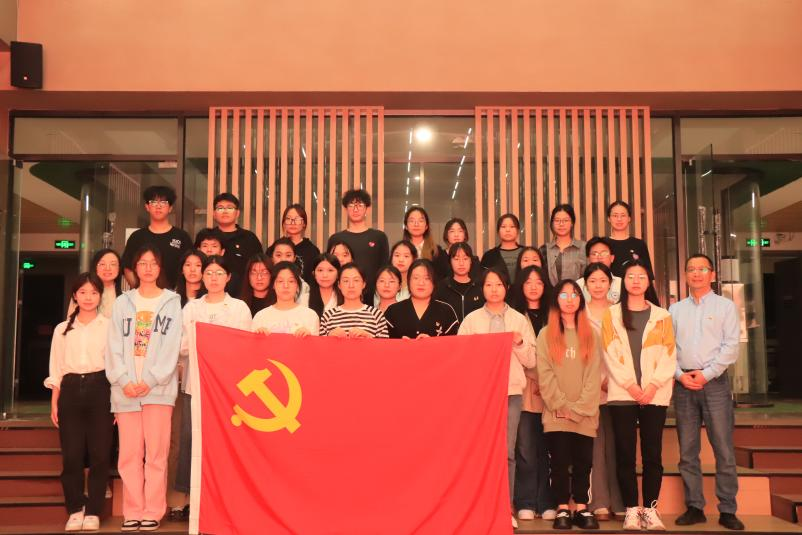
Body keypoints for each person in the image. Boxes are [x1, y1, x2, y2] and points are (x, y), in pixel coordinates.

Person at [106, 245, 183, 532]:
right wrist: (123, 380)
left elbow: (171, 347)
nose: (148, 268)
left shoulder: (171, 301)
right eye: (143, 263)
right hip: (125, 391)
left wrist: (150, 380)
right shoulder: (123, 302)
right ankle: (133, 511)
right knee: (128, 455)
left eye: (153, 263)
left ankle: (152, 511)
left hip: (158, 391)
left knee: (156, 455)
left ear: (160, 268)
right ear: (134, 268)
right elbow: (112, 346)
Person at [458, 267, 537, 530]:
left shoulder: (519, 319)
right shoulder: (471, 320)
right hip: (480, 395)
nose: (494, 290)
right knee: (479, 452)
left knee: (507, 452)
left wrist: (519, 342)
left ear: (507, 288)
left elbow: (532, 360)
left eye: (499, 285)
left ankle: (504, 507)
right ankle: (479, 507)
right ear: (482, 289)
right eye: (489, 285)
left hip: (510, 393)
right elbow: (461, 357)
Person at [669, 254, 744, 531]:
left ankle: (728, 509)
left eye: (702, 269)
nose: (696, 273)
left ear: (712, 274)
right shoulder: (675, 310)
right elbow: (666, 348)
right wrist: (680, 375)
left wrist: (706, 374)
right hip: (684, 384)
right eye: (691, 269)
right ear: (685, 275)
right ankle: (694, 507)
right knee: (688, 450)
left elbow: (731, 347)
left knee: (723, 448)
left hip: (715, 384)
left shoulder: (725, 307)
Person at [601, 259, 676, 531]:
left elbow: (669, 354)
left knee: (652, 454)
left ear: (648, 282)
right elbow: (609, 354)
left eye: (641, 276)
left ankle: (651, 509)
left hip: (655, 394)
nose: (635, 281)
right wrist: (631, 386)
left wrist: (653, 386)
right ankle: (632, 509)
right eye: (631, 276)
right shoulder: (611, 314)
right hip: (622, 393)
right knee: (625, 454)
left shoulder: (662, 316)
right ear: (624, 282)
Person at [176, 255, 252, 508]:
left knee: (226, 441)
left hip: (228, 387)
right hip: (195, 384)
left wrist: (212, 340)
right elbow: (181, 346)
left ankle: (226, 498)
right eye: (209, 273)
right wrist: (207, 339)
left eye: (219, 273)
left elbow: (244, 346)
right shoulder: (191, 308)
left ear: (228, 277)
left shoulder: (239, 308)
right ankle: (190, 499)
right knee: (191, 440)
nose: (214, 278)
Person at [46, 273, 113, 532]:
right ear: (74, 295)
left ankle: (93, 511)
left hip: (101, 389)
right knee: (72, 455)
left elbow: (115, 365)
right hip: (71, 390)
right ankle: (75, 509)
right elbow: (56, 368)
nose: (88, 297)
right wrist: (55, 401)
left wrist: (116, 402)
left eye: (93, 292)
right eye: (83, 292)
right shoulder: (62, 329)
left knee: (100, 454)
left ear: (100, 296)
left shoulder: (109, 326)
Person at [536, 279, 601, 530]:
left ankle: (582, 507)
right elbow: (545, 374)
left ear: (581, 299)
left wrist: (579, 409)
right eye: (563, 295)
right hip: (556, 414)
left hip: (585, 414)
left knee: (584, 462)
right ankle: (562, 506)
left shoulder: (591, 334)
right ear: (556, 300)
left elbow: (594, 375)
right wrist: (561, 406)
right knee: (559, 463)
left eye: (574, 294)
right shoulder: (545, 334)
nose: (570, 299)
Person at [510, 265, 557, 523]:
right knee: (526, 449)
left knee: (548, 449)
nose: (533, 286)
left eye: (539, 282)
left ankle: (547, 501)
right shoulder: (515, 315)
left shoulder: (555, 314)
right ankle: (526, 501)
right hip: (526, 389)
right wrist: (538, 377)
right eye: (528, 282)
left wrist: (547, 380)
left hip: (554, 391)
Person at [582, 263, 624, 521]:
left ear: (610, 283)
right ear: (585, 285)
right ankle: (598, 501)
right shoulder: (579, 313)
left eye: (602, 280)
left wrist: (615, 379)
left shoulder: (621, 311)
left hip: (620, 387)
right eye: (592, 281)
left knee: (618, 446)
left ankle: (620, 501)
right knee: (595, 447)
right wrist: (597, 381)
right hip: (590, 388)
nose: (598, 285)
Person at [168, 248, 206, 521]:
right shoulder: (172, 300)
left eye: (198, 265)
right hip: (175, 380)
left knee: (201, 440)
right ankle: (177, 500)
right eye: (188, 265)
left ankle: (199, 499)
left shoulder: (212, 301)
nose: (193, 270)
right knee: (179, 441)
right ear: (181, 268)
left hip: (204, 380)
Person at [121, 185, 192, 289]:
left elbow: (190, 266)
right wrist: (140, 290)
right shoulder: (137, 237)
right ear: (147, 207)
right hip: (143, 294)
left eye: (163, 202)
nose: (158, 206)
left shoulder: (182, 237)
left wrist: (178, 292)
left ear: (170, 208)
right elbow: (128, 268)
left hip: (175, 294)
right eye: (153, 202)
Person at [326, 189, 389, 291]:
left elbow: (384, 269)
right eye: (351, 205)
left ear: (367, 209)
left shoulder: (379, 237)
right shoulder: (335, 239)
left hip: (373, 294)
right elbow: (330, 268)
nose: (355, 209)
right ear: (346, 209)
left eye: (360, 205)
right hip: (342, 292)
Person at [385, 259, 459, 339]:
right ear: (408, 281)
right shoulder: (393, 311)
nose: (421, 283)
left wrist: (433, 343)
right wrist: (400, 344)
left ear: (434, 282)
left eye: (427, 278)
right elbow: (382, 343)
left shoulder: (446, 311)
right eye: (416, 278)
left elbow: (454, 343)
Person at [210, 192, 264, 294]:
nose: (225, 211)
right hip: (210, 294)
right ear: (214, 213)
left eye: (230, 208)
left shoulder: (249, 238)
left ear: (237, 213)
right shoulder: (207, 237)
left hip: (243, 295)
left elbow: (259, 268)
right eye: (220, 208)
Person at [320, 263, 389, 338]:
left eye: (356, 280)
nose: (351, 285)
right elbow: (320, 345)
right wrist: (329, 338)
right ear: (339, 285)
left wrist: (368, 337)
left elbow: (385, 344)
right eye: (346, 281)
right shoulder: (328, 316)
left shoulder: (377, 315)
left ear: (363, 284)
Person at [252, 261, 319, 336]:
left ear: (297, 285)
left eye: (291, 281)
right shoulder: (260, 317)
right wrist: (259, 336)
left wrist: (309, 337)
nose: (286, 286)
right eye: (280, 281)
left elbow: (316, 343)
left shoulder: (310, 316)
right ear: (273, 285)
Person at [267, 204, 320, 282]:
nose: (293, 223)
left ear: (304, 224)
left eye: (297, 219)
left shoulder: (312, 251)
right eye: (288, 219)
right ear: (284, 223)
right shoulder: (274, 248)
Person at [433, 242, 484, 322]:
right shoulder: (441, 288)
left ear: (471, 261)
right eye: (456, 259)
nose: (461, 263)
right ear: (450, 261)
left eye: (465, 259)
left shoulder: (479, 287)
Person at [67, 248, 122, 318]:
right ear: (95, 267)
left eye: (113, 264)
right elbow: (71, 321)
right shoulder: (82, 291)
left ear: (119, 268)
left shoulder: (125, 296)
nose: (107, 268)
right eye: (102, 264)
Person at [540, 204, 587, 286]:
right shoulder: (544, 249)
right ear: (552, 223)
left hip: (577, 292)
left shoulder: (584, 247)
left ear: (572, 223)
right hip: (551, 293)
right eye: (557, 220)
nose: (561, 224)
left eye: (566, 220)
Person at [607, 201, 653, 278]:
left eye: (623, 215)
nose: (619, 219)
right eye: (615, 215)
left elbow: (648, 275)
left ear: (629, 218)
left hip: (634, 285)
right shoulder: (603, 243)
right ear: (609, 218)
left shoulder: (639, 244)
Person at [576, 237, 622, 304]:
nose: (599, 257)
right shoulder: (578, 285)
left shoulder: (621, 284)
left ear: (612, 258)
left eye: (604, 253)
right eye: (594, 254)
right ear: (588, 259)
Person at [480, 213, 524, 280]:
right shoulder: (489, 256)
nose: (508, 230)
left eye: (512, 226)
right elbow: (484, 280)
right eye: (503, 227)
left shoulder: (526, 252)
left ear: (518, 231)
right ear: (498, 231)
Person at [270, 237, 311, 306]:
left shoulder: (303, 286)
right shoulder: (264, 280)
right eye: (278, 255)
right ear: (272, 258)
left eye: (288, 255)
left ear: (294, 258)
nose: (283, 259)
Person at [308, 253, 342, 318]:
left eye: (330, 270)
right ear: (313, 273)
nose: (325, 275)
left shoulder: (344, 297)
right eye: (320, 270)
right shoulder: (304, 298)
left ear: (338, 274)